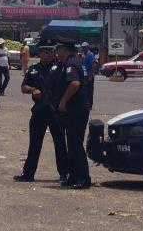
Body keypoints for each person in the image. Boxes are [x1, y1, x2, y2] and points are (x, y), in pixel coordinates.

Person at [14, 45, 68, 183]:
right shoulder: (33, 70)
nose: (50, 54)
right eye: (46, 51)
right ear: (40, 53)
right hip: (39, 111)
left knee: (60, 144)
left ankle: (64, 174)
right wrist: (33, 90)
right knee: (34, 144)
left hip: (56, 112)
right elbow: (23, 87)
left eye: (52, 51)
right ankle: (28, 174)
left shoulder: (60, 67)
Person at [53, 41, 91, 189]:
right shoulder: (71, 61)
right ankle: (74, 176)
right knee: (73, 144)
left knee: (75, 145)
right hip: (76, 109)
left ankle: (83, 178)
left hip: (76, 110)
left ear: (65, 49)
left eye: (58, 48)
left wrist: (63, 101)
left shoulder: (71, 63)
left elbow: (75, 83)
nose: (56, 51)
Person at [81, 42, 98, 109]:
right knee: (84, 90)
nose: (83, 48)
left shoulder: (90, 54)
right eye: (82, 47)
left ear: (87, 47)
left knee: (89, 90)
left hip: (89, 75)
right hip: (84, 75)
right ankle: (85, 104)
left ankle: (90, 105)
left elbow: (93, 65)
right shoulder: (83, 55)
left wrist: (91, 75)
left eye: (84, 47)